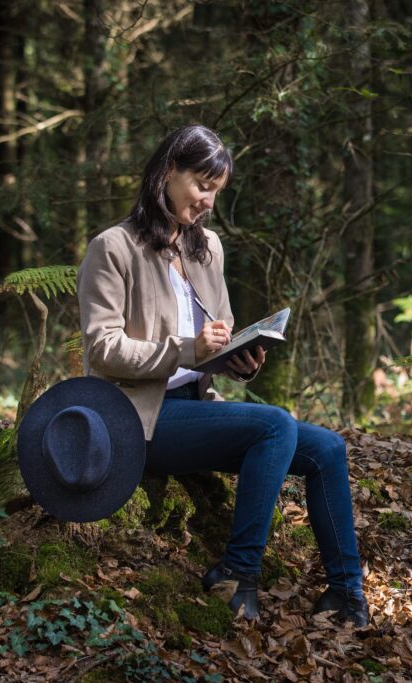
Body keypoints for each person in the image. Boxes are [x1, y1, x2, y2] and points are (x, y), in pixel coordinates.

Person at [75, 124, 369, 626]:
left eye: (217, 191)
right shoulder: (113, 248)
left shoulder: (206, 247)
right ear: (168, 173)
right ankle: (237, 572)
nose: (209, 201)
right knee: (275, 424)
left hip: (197, 406)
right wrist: (187, 350)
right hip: (137, 417)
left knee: (327, 449)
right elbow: (102, 348)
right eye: (202, 186)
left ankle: (346, 595)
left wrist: (240, 359)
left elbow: (221, 331)